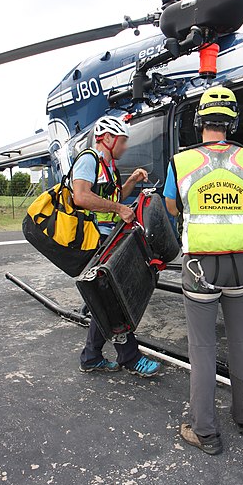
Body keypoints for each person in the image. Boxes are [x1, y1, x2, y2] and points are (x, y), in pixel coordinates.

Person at [164, 86, 243, 455]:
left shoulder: (181, 163)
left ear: (199, 121)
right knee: (241, 340)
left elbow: (171, 207)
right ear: (233, 122)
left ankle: (205, 432)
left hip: (200, 266)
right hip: (241, 264)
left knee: (202, 347)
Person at [72, 115, 160, 377]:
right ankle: (130, 357)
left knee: (104, 298)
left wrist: (131, 181)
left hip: (107, 239)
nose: (125, 147)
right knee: (113, 299)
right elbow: (82, 196)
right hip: (94, 240)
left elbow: (110, 198)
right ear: (107, 139)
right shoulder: (89, 160)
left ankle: (91, 357)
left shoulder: (107, 166)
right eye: (122, 141)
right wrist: (119, 208)